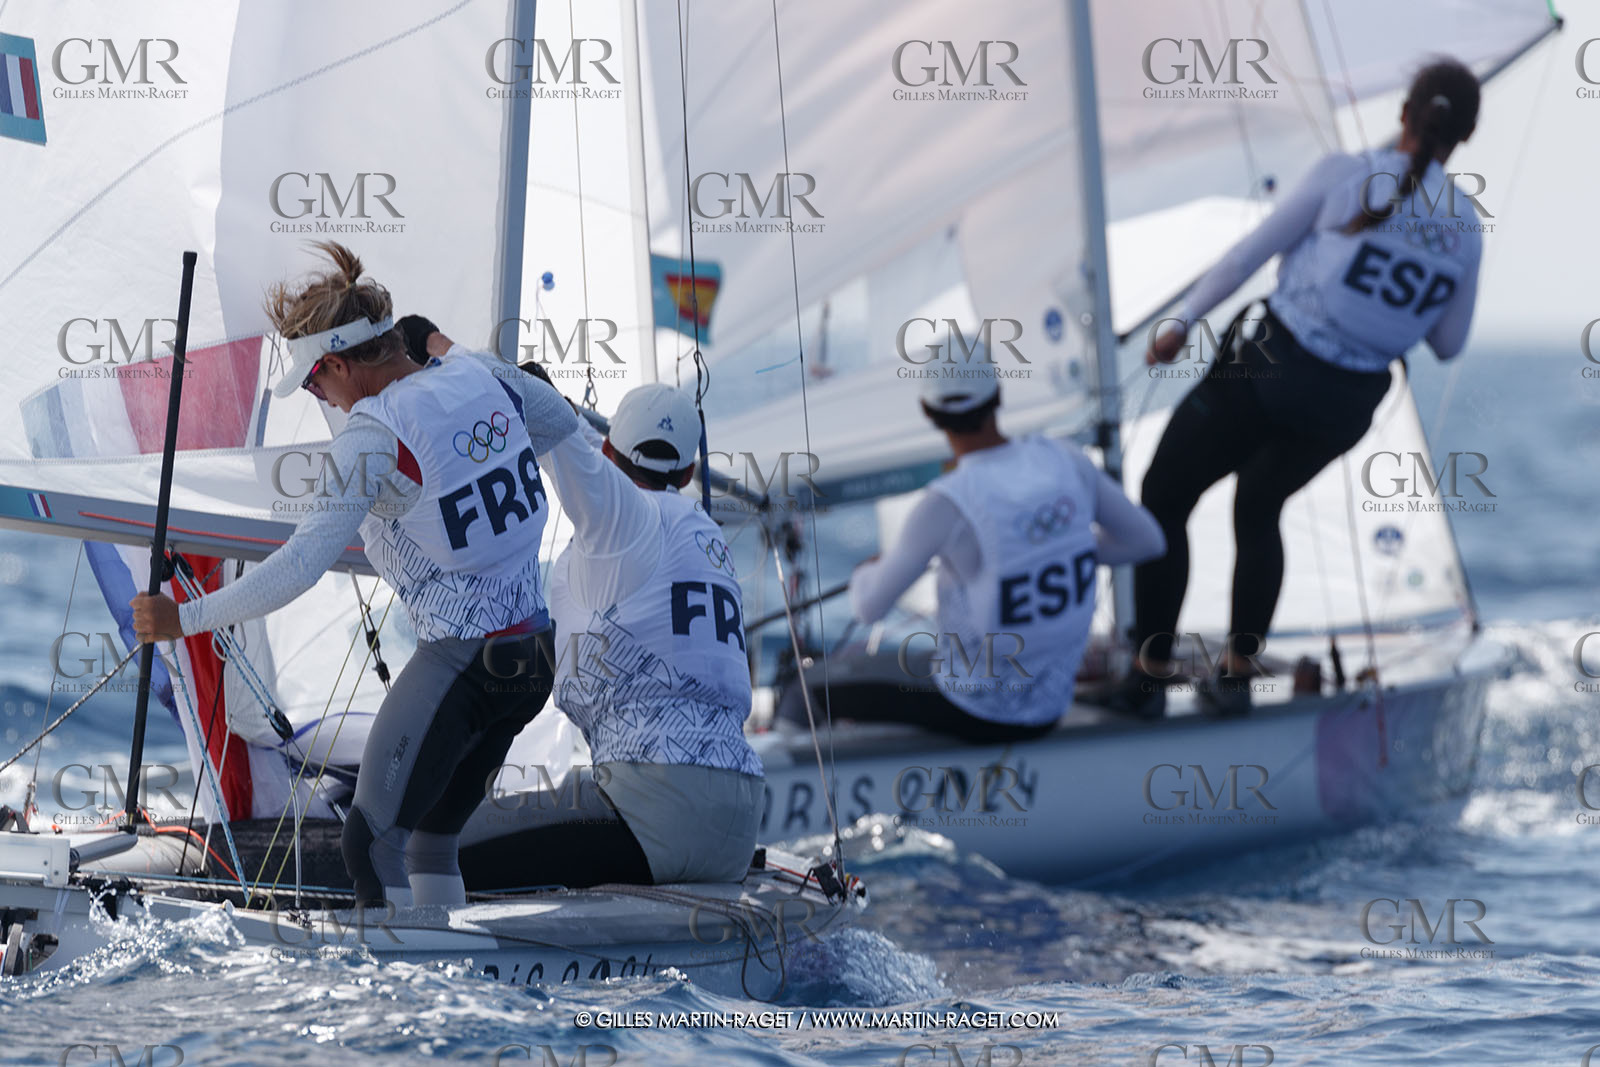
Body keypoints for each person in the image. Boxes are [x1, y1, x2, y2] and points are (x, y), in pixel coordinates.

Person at [130, 242, 579, 908]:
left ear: (338, 363)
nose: (322, 398)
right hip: (533, 658)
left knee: (370, 842)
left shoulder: (373, 433)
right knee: (430, 842)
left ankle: (403, 999)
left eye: (314, 383)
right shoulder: (481, 374)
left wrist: (182, 617)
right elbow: (559, 418)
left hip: (467, 665)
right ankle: (446, 980)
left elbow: (300, 565)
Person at [1114, 59, 1483, 720]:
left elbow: (1244, 258)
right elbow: (1448, 344)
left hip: (1269, 368)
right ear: (1466, 137)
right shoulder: (1463, 225)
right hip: (1347, 404)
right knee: (1258, 508)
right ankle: (1233, 673)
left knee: (1166, 493)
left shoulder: (1344, 175)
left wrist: (1178, 326)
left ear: (1404, 112)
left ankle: (1149, 673)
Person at [402, 331, 764, 888]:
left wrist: (436, 345)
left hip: (655, 811)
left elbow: (558, 434)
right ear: (689, 474)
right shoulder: (706, 538)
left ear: (610, 452)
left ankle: (420, 933)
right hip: (739, 823)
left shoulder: (625, 520)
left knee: (423, 848)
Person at [783, 358, 1164, 743]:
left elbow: (869, 608)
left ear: (928, 413)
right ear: (998, 396)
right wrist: (1061, 550)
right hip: (1050, 706)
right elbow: (1147, 541)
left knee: (806, 691)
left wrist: (867, 571)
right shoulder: (1065, 459)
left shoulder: (946, 501)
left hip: (979, 710)